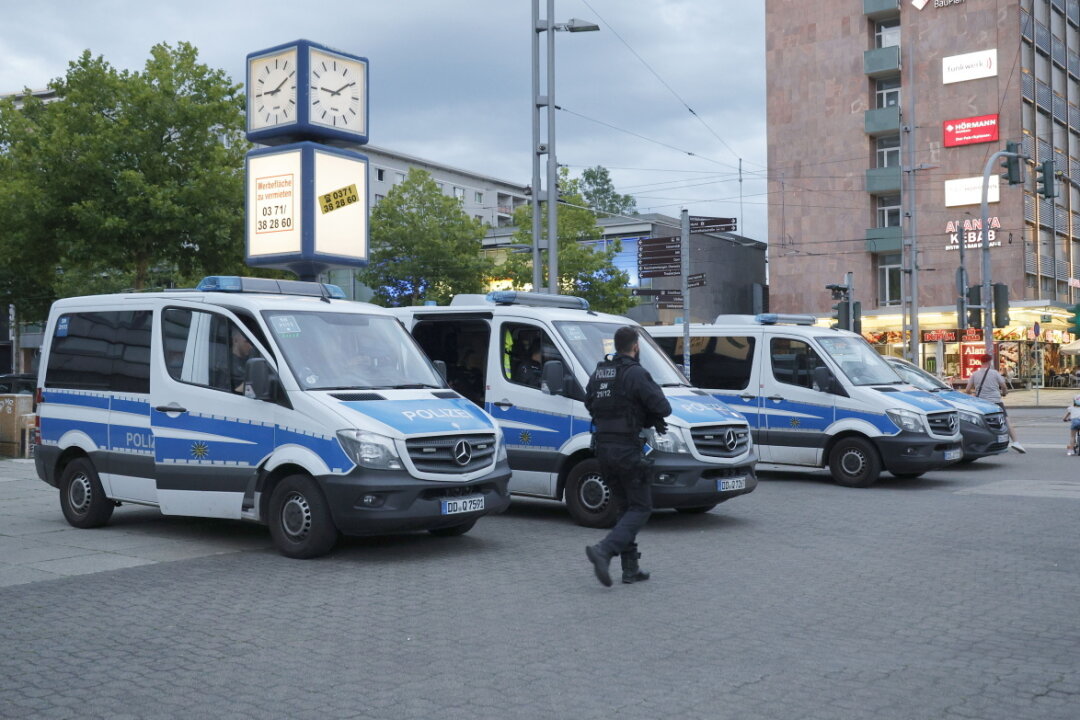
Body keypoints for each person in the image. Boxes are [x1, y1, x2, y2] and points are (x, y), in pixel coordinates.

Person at [583, 326, 672, 587]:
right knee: (641, 507)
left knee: (625, 507)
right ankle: (604, 550)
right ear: (635, 347)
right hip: (626, 449)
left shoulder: (600, 373)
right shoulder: (635, 373)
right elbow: (663, 407)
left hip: (603, 449)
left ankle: (630, 569)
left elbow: (590, 403)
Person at [966, 352, 1025, 453]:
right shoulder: (995, 373)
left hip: (982, 403)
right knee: (1006, 421)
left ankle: (982, 444)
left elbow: (967, 390)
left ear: (981, 362)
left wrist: (974, 395)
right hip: (996, 402)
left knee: (982, 423)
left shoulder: (975, 374)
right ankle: (1016, 442)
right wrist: (1004, 393)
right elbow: (1004, 386)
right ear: (989, 362)